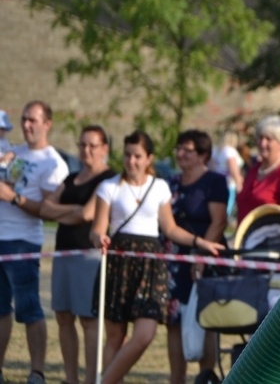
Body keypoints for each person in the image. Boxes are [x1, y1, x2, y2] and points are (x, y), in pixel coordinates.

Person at [89, 130, 224, 384]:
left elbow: (170, 229)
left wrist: (200, 242)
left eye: (138, 156)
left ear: (149, 158)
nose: (131, 161)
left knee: (145, 334)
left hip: (150, 263)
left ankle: (103, 381)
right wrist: (99, 238)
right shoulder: (109, 187)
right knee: (116, 337)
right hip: (119, 261)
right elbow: (97, 228)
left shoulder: (160, 187)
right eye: (128, 155)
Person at [39, 125, 116, 384]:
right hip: (63, 252)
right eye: (82, 144)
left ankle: (90, 379)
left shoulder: (109, 179)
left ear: (104, 148)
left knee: (88, 320)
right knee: (63, 316)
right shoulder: (71, 178)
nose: (86, 150)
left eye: (93, 145)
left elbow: (88, 214)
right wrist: (72, 210)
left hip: (89, 256)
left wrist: (65, 210)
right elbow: (45, 209)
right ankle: (71, 378)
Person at [0, 100, 70, 384]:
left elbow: (47, 210)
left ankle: (37, 371)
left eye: (33, 120)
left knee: (29, 307)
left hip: (23, 241)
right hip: (1, 237)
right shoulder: (13, 153)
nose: (27, 125)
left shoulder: (54, 163)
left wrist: (13, 197)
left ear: (47, 124)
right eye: (24, 119)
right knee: (1, 308)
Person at [165, 130, 229, 384]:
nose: (180, 154)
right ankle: (176, 379)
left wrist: (203, 256)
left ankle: (205, 377)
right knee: (174, 321)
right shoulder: (171, 182)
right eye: (178, 148)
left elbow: (220, 221)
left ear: (203, 154)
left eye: (187, 150)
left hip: (206, 257)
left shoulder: (214, 181)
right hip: (175, 261)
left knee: (206, 321)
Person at [210, 130, 244, 218]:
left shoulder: (215, 150)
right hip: (228, 184)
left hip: (214, 183)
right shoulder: (230, 151)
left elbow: (212, 168)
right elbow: (233, 169)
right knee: (225, 212)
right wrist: (239, 185)